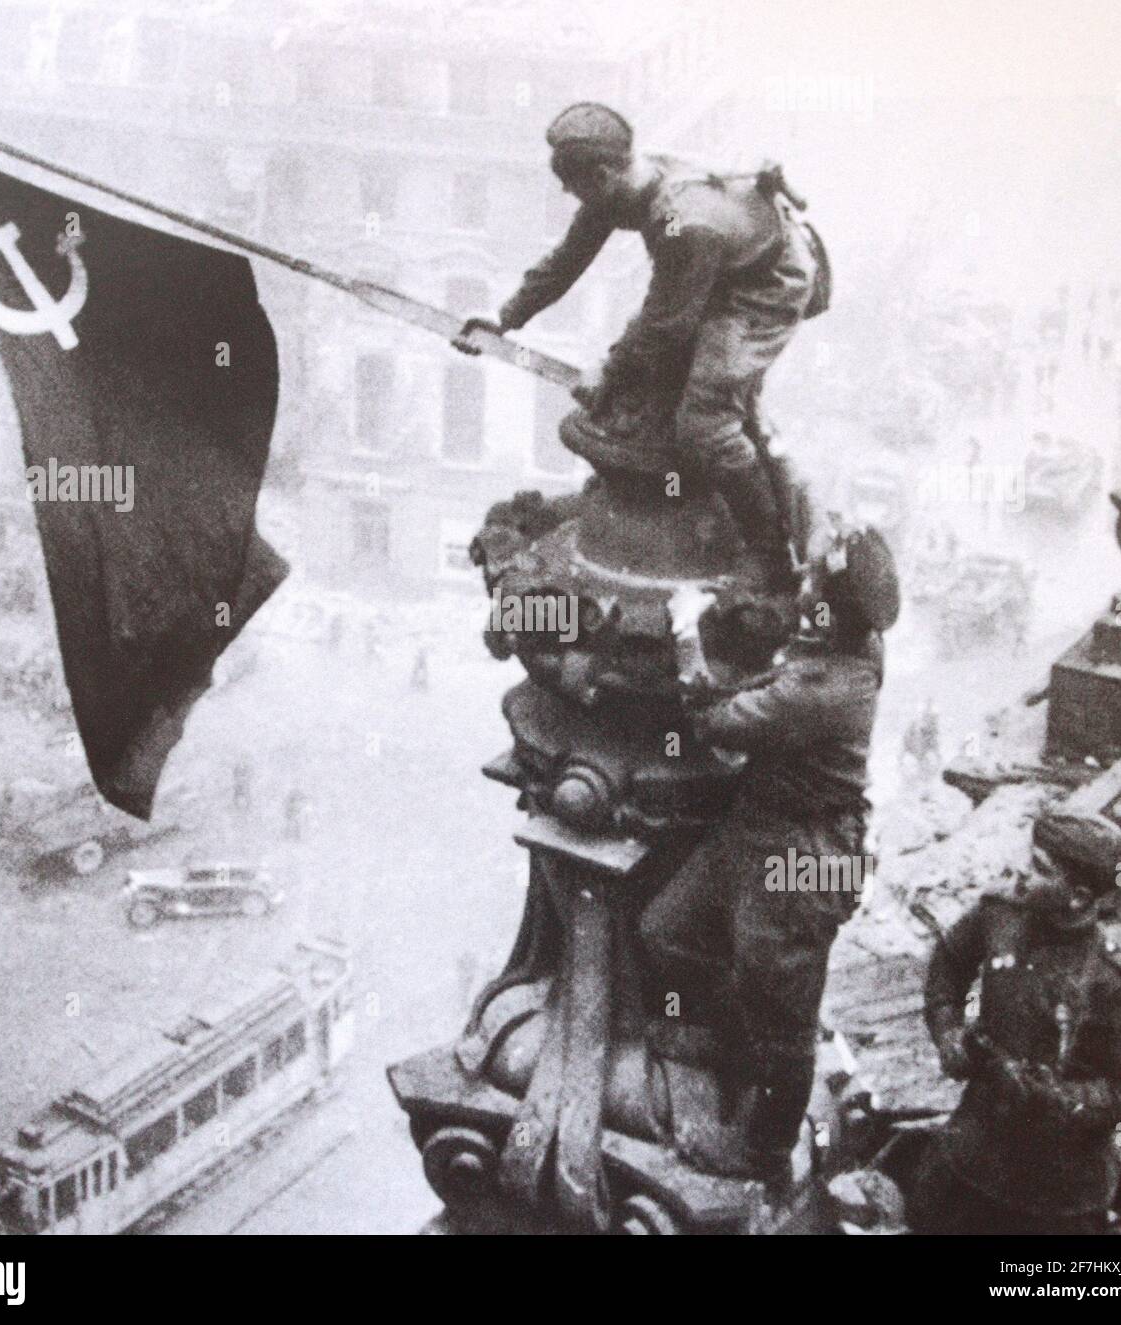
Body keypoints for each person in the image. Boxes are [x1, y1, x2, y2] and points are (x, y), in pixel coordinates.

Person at [639, 524, 898, 1185]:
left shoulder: (823, 689)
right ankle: (733, 1038)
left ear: (832, 612)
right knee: (666, 930)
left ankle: (763, 1152)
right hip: (761, 826)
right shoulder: (856, 644)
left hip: (800, 856)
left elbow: (712, 720)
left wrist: (687, 632)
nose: (804, 588)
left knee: (786, 1019)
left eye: (815, 585)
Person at [452, 102, 826, 555]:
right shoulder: (626, 187)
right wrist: (505, 317)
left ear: (604, 175)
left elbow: (666, 322)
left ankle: (770, 546)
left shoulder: (680, 223)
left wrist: (608, 373)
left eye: (573, 187)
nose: (570, 196)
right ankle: (752, 491)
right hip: (719, 267)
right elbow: (567, 260)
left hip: (763, 287)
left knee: (707, 422)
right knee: (666, 386)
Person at [911, 809, 1121, 1234]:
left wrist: (1065, 1099)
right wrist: (947, 1030)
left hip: (1058, 1189)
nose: (1021, 873)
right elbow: (950, 963)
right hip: (975, 1149)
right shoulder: (1001, 915)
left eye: (1039, 868)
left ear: (1079, 897)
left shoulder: (1111, 981)